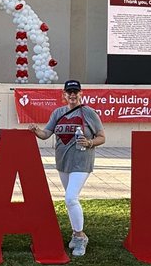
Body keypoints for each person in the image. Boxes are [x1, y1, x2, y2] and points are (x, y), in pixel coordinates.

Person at [28, 78, 105, 256]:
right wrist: (36, 130)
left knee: (70, 198)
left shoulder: (89, 113)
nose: (72, 95)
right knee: (72, 200)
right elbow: (46, 133)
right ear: (64, 95)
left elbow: (102, 136)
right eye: (69, 92)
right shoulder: (58, 113)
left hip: (81, 161)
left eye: (75, 92)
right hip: (63, 162)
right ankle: (76, 232)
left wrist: (90, 142)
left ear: (81, 94)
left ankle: (79, 237)